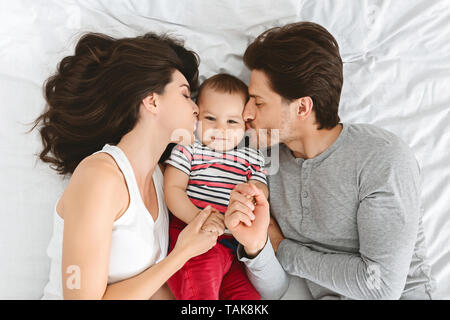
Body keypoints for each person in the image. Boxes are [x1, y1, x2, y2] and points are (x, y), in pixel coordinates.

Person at [226, 22, 435, 299]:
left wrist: (281, 247)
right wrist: (257, 246)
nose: (246, 113)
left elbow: (380, 287)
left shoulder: (381, 158)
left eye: (258, 102)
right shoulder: (264, 162)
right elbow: (278, 288)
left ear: (302, 107)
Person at [35, 32, 222, 300]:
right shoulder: (100, 176)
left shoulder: (162, 179)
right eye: (185, 95)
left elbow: (149, 288)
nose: (196, 109)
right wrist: (182, 254)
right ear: (152, 101)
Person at [163, 74, 268, 300]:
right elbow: (172, 188)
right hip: (193, 236)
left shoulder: (251, 157)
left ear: (245, 126)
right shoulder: (189, 148)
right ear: (196, 119)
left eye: (231, 122)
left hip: (232, 247)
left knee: (248, 298)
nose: (221, 129)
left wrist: (253, 193)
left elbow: (261, 188)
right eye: (211, 118)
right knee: (201, 293)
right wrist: (198, 218)